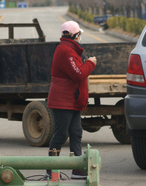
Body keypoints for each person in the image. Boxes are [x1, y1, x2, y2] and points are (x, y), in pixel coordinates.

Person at [46, 21, 97, 180]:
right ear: (75, 35)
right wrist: (91, 63)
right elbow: (79, 74)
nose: (80, 37)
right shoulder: (66, 51)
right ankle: (51, 169)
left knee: (76, 132)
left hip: (71, 100)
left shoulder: (69, 49)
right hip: (63, 101)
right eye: (79, 34)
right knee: (60, 135)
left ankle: (78, 170)